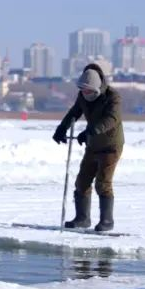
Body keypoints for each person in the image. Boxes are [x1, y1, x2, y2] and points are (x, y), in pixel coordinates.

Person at [53, 63, 124, 232]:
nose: (85, 94)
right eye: (82, 90)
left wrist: (90, 131)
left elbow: (111, 119)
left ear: (96, 88)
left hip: (110, 146)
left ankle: (107, 221)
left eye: (88, 91)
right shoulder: (82, 96)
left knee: (103, 183)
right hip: (93, 145)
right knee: (82, 181)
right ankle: (82, 218)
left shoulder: (113, 97)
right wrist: (61, 129)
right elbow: (74, 113)